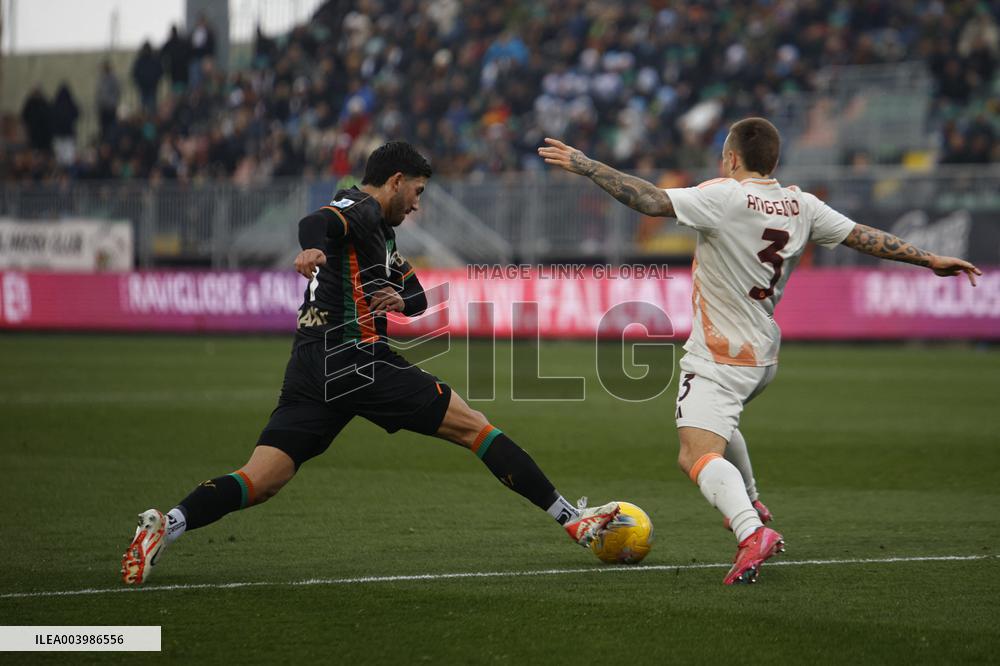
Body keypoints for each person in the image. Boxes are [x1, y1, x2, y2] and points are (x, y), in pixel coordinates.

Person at [122, 141, 619, 584]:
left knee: (262, 479)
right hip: (353, 358)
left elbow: (417, 295)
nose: (418, 204)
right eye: (417, 192)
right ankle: (573, 519)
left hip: (310, 366)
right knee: (475, 428)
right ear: (396, 181)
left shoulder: (382, 233)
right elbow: (316, 222)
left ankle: (168, 524)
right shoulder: (357, 208)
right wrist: (311, 247)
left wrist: (400, 301)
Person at [539, 117, 981, 585]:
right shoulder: (802, 204)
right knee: (720, 423)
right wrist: (929, 259)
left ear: (732, 158)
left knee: (695, 454)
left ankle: (751, 530)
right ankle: (749, 497)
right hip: (762, 353)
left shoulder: (724, 196)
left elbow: (649, 200)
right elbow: (863, 236)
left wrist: (587, 165)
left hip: (721, 354)